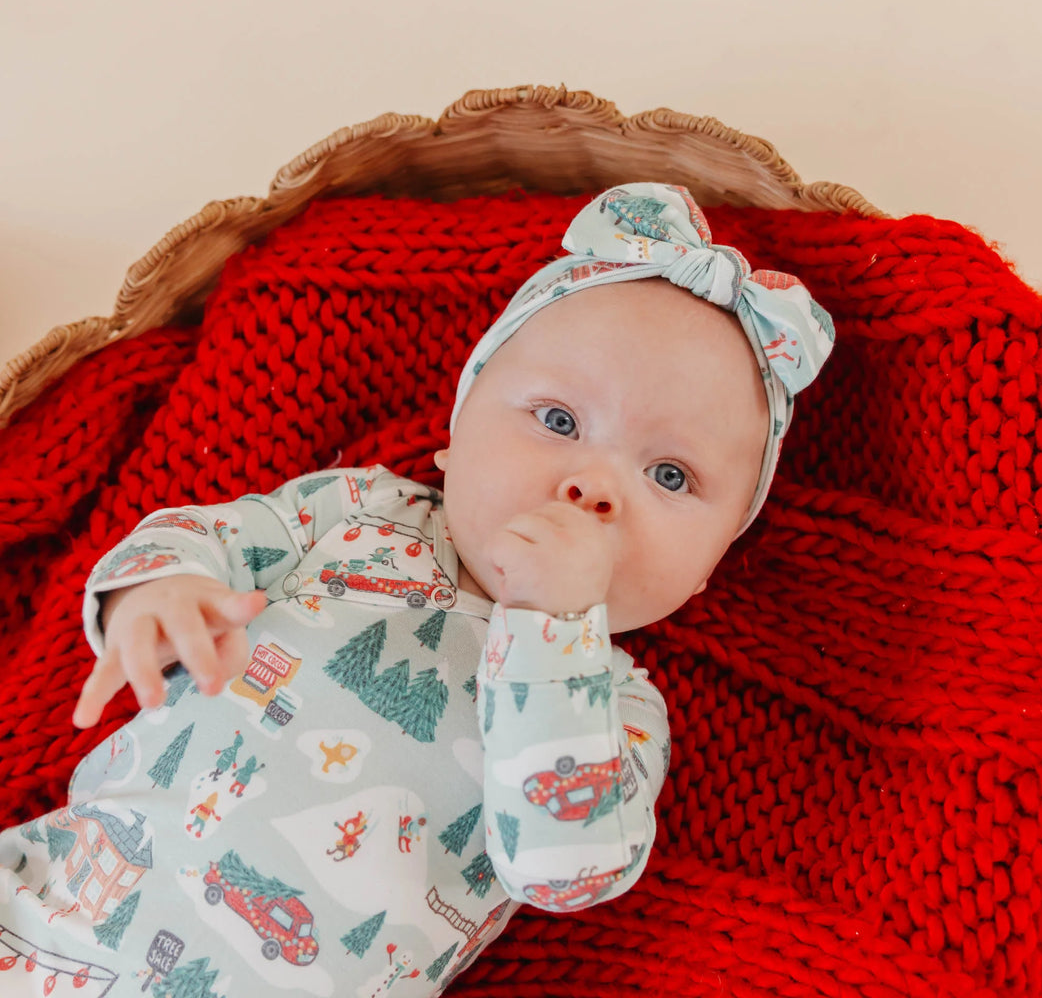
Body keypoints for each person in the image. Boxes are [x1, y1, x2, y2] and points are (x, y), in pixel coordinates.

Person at [0, 184, 834, 996]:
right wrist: (157, 595)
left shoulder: (616, 712)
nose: (592, 485)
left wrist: (554, 624)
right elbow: (201, 535)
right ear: (458, 427)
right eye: (557, 421)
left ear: (712, 565)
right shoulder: (356, 510)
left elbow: (566, 869)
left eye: (668, 474)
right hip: (50, 912)